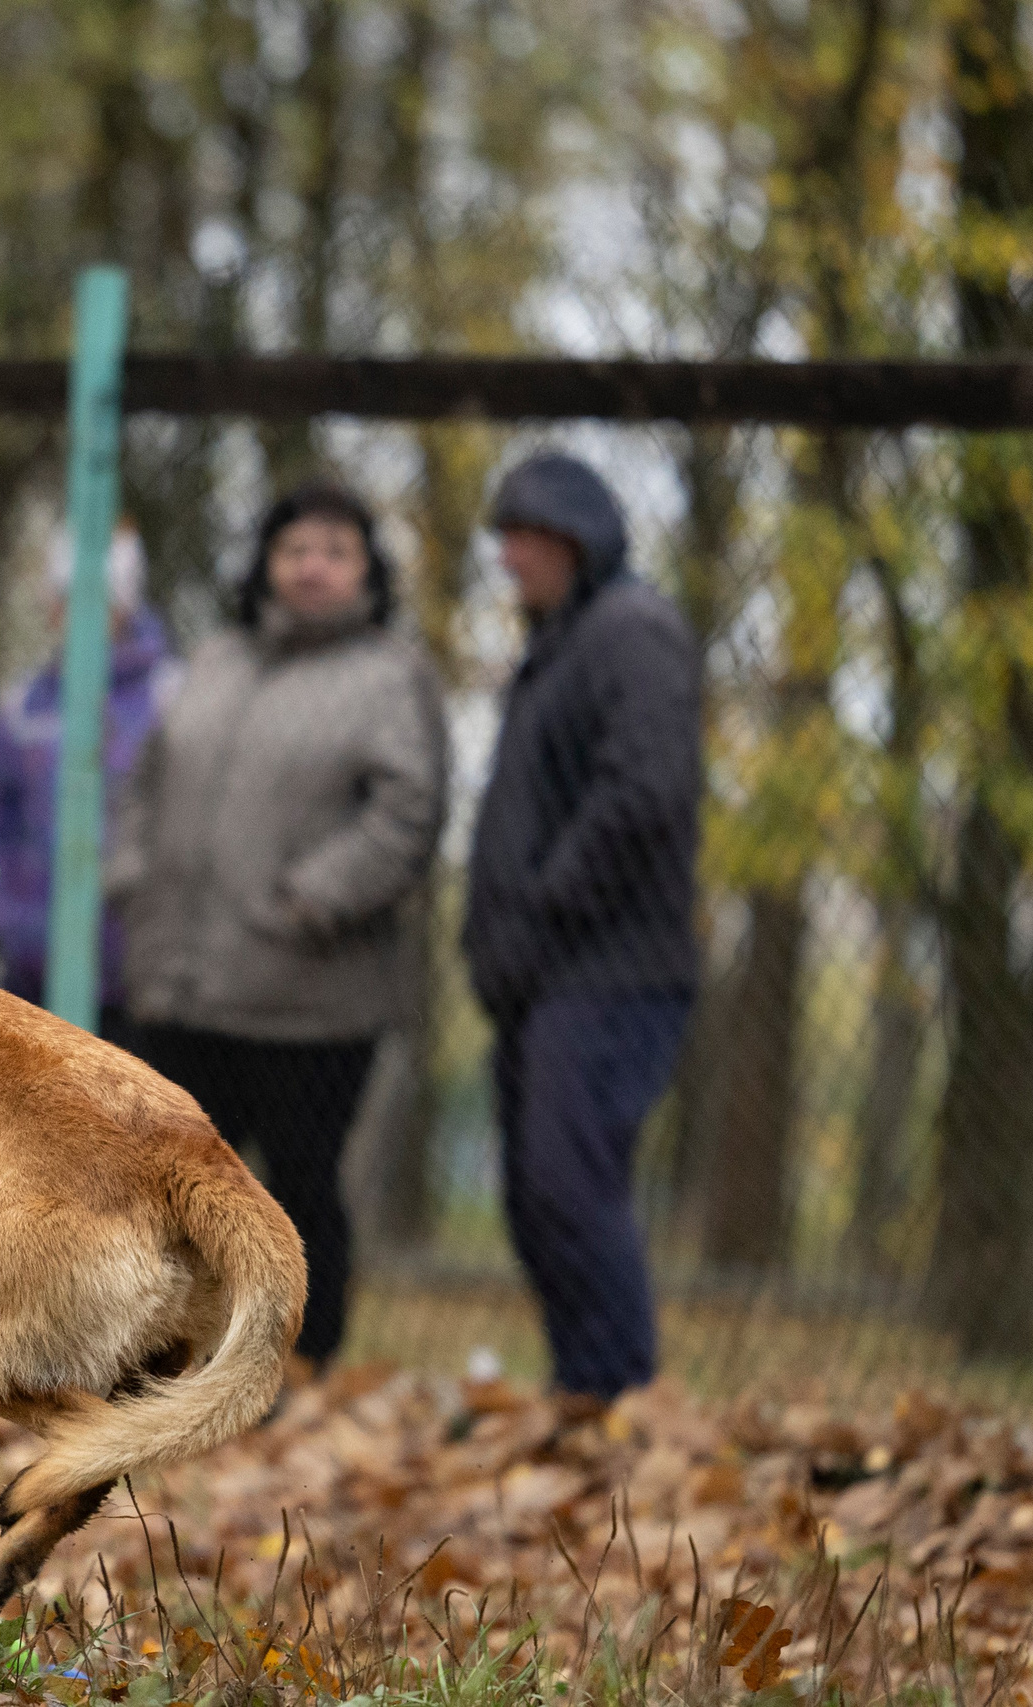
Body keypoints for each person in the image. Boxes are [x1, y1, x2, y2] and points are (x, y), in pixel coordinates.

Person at [108, 484, 447, 1374]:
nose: (313, 564)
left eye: (336, 549)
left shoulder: (389, 676)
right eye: (295, 547)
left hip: (310, 998)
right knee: (169, 1192)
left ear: (368, 571)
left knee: (297, 1192)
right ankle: (162, 1360)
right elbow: (146, 784)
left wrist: (313, 898)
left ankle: (308, 1363)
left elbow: (409, 814)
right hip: (180, 983)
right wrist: (132, 878)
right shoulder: (214, 660)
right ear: (264, 563)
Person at [464, 452, 701, 1404]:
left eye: (526, 536)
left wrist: (539, 903)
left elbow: (645, 792)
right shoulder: (557, 645)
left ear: (577, 536)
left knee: (570, 1182)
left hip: (610, 973)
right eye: (504, 538)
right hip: (545, 974)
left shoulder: (630, 632)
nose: (510, 557)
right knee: (536, 1194)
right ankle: (583, 1390)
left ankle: (622, 1396)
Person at [0, 521, 176, 1017]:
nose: (77, 615)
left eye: (96, 601)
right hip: (30, 961)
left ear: (125, 605)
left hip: (136, 972)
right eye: (63, 599)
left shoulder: (170, 698)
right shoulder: (23, 705)